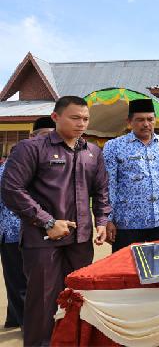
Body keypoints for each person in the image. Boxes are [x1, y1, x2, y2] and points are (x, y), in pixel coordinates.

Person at [0, 96, 111, 346]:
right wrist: (48, 222)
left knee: (77, 297)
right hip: (42, 240)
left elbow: (101, 190)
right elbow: (11, 190)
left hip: (80, 240)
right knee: (42, 301)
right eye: (75, 118)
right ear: (55, 117)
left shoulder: (93, 152)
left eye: (85, 119)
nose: (81, 124)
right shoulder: (31, 148)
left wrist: (101, 221)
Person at [103, 99, 159, 252]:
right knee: (128, 270)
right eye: (140, 120)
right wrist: (108, 219)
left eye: (150, 119)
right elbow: (108, 185)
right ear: (129, 122)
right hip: (128, 223)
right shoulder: (114, 146)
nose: (146, 124)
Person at [0, 116, 56, 331]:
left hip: (42, 231)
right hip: (14, 233)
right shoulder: (12, 167)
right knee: (22, 282)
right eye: (44, 136)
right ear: (32, 136)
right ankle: (30, 327)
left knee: (31, 281)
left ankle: (16, 319)